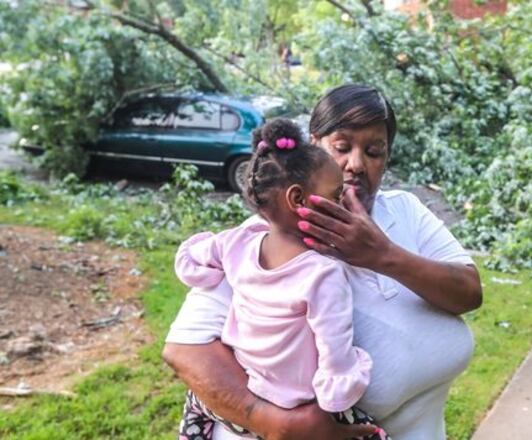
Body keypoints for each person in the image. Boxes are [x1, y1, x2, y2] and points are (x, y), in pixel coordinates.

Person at [162, 84, 483, 440]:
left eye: (375, 151)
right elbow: (184, 350)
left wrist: (383, 255)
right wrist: (276, 424)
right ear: (314, 148)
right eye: (342, 147)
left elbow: (469, 293)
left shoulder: (405, 211)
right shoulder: (266, 243)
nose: (356, 165)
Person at [174, 118, 388, 440]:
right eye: (336, 193)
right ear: (298, 200)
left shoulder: (239, 241)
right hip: (295, 407)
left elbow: (193, 259)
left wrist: (201, 272)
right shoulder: (322, 274)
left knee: (195, 404)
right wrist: (342, 391)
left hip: (246, 394)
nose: (343, 199)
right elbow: (336, 356)